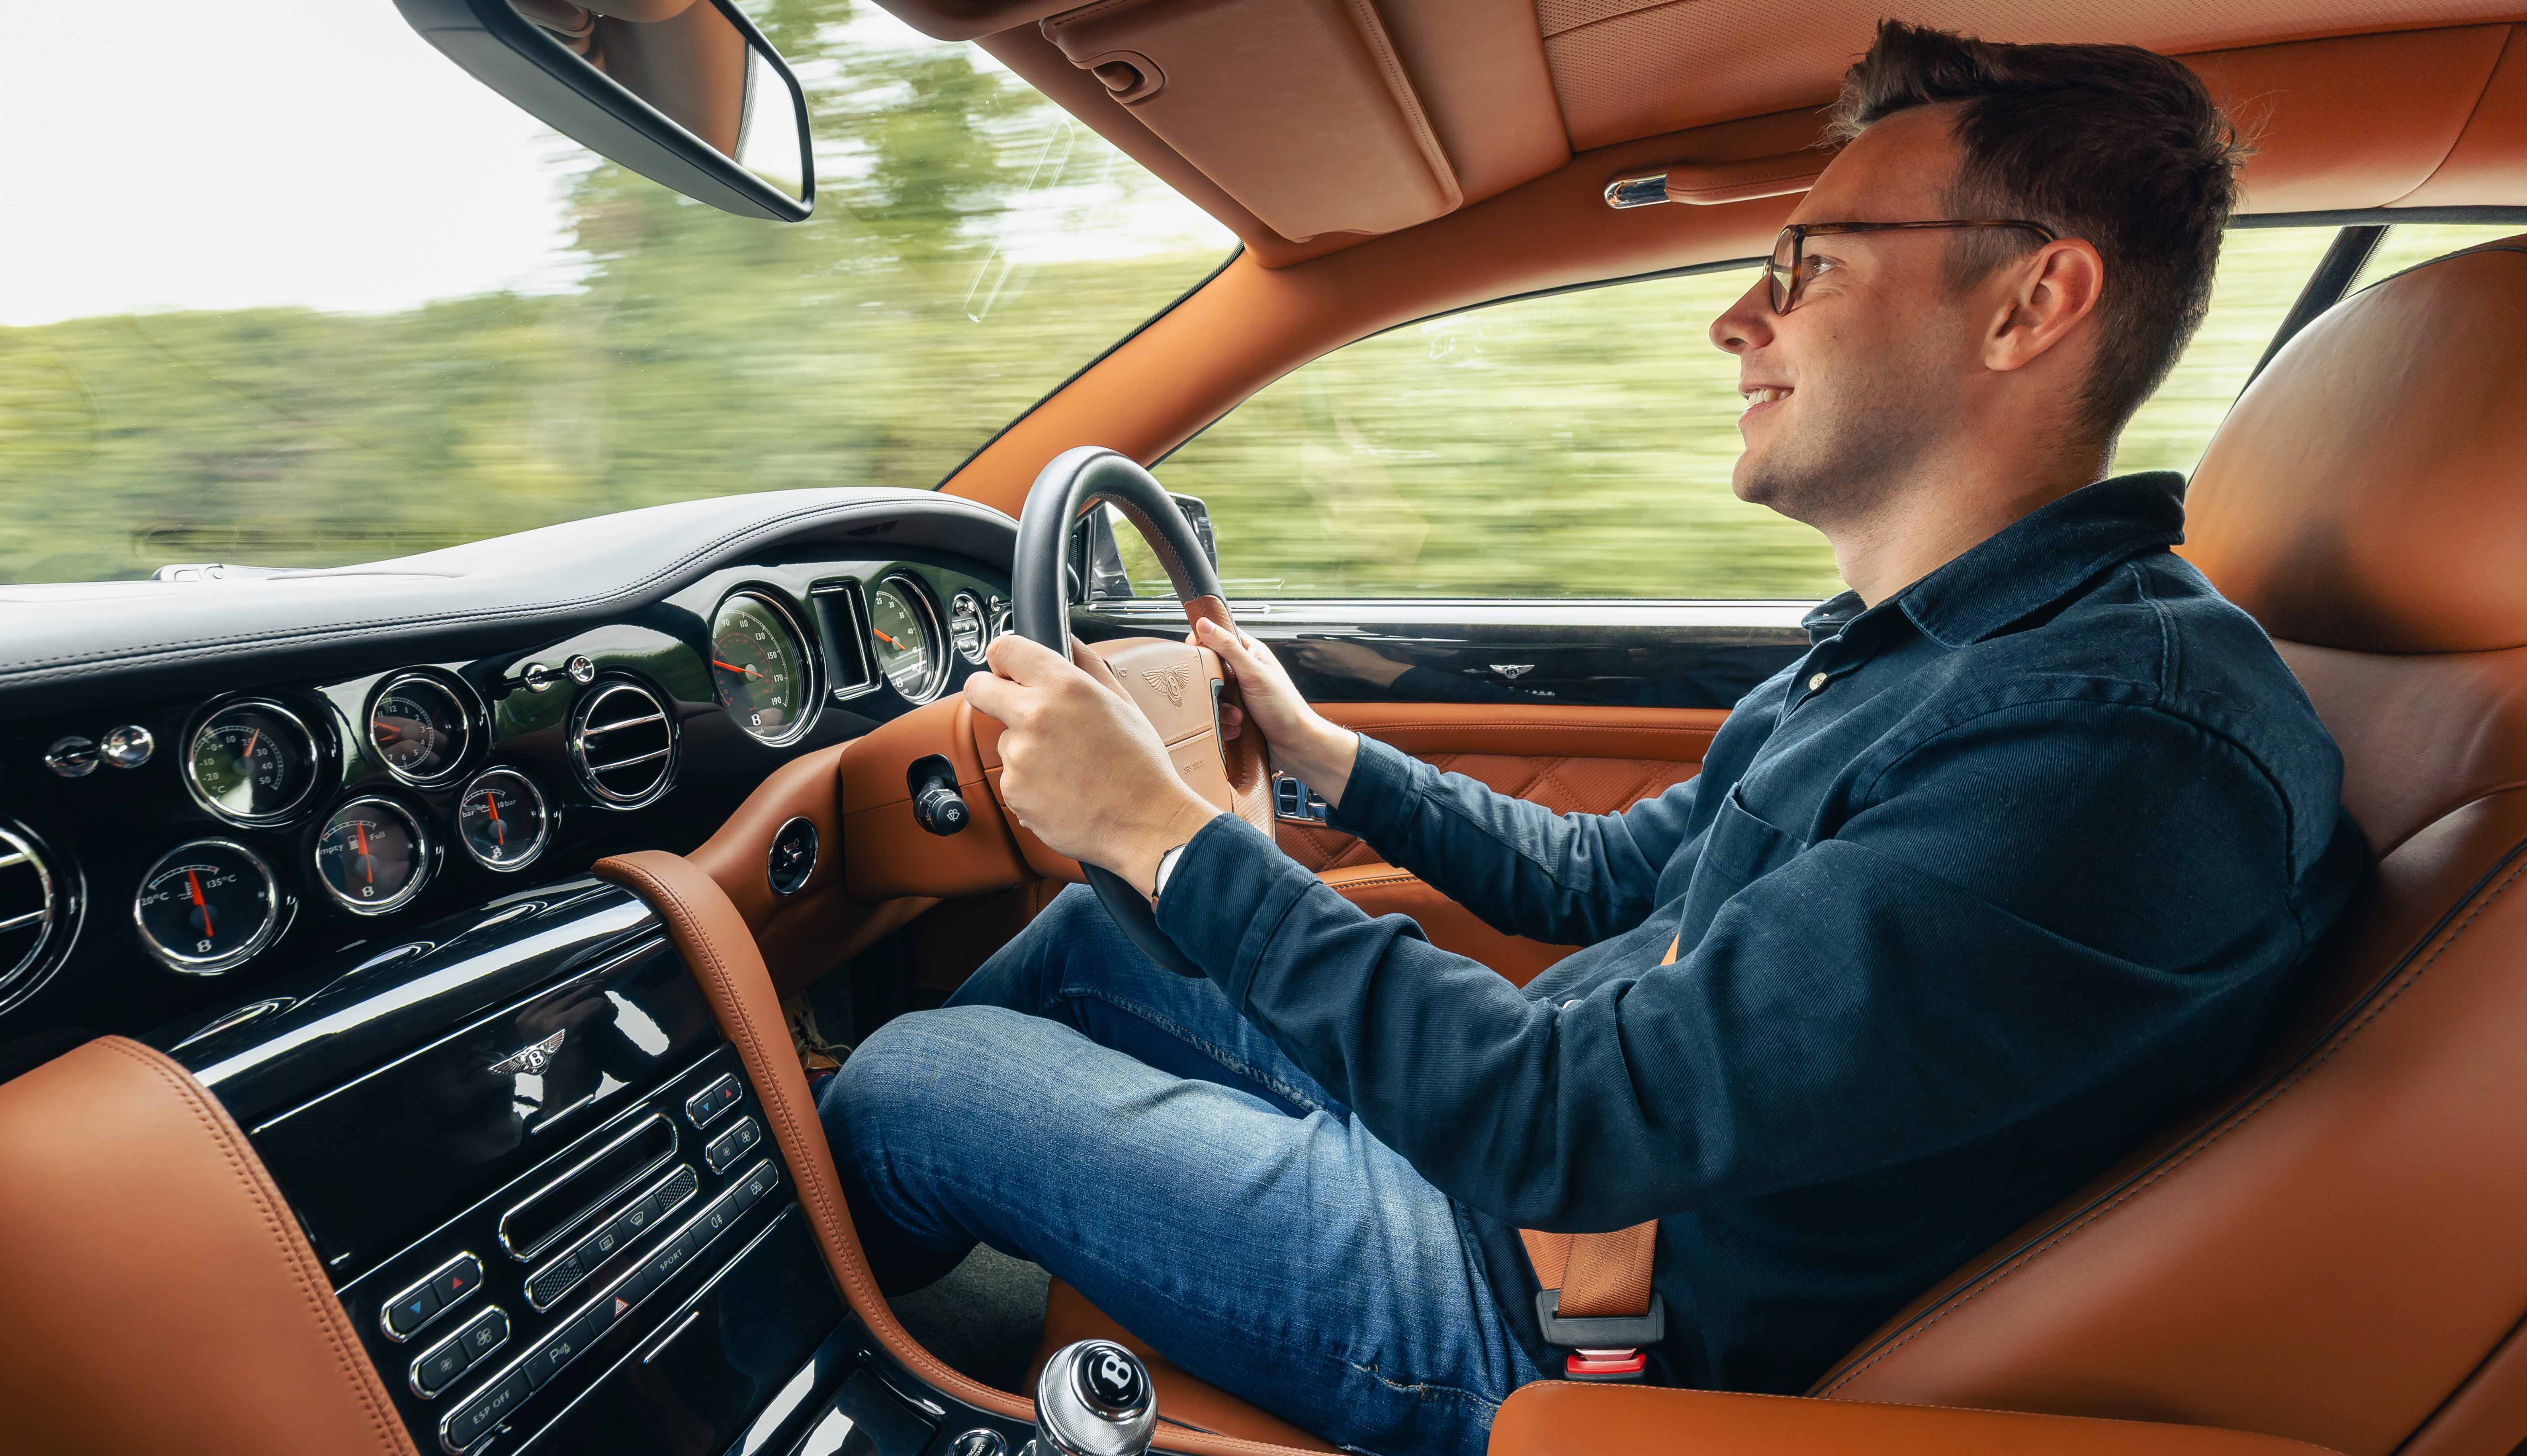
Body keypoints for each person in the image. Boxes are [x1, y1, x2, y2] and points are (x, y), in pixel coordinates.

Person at [817, 20, 2365, 1456]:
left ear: (2031, 303)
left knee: (914, 1081)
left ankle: (778, 1371)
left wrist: (1163, 830)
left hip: (1551, 1315)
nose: (1734, 317)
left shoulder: (2109, 748)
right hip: (1533, 1168)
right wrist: (1312, 753)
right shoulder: (1933, 651)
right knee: (1095, 937)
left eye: (1809, 264)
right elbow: (1599, 877)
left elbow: (1571, 1118)